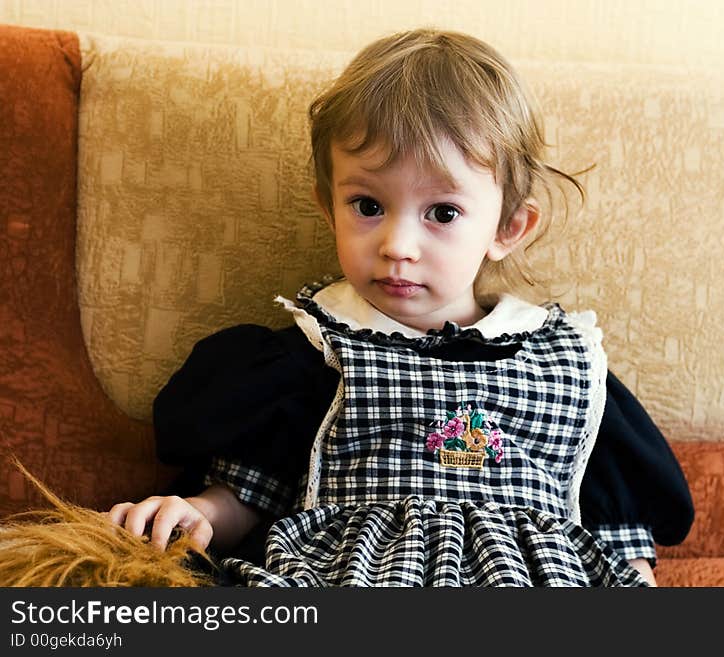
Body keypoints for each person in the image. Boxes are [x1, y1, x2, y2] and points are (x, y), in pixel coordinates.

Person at [109, 28, 693, 587]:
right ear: (327, 204)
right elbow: (253, 490)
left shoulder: (565, 363)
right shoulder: (319, 351)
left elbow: (618, 532)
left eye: (441, 213)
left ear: (510, 226)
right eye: (367, 204)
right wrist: (197, 513)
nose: (397, 246)